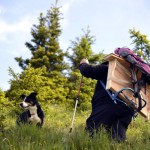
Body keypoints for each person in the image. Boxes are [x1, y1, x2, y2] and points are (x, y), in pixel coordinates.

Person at [79, 58, 134, 142]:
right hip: (126, 111)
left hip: (107, 106)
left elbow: (87, 71)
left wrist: (83, 63)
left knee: (90, 133)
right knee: (117, 140)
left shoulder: (107, 68)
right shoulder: (129, 76)